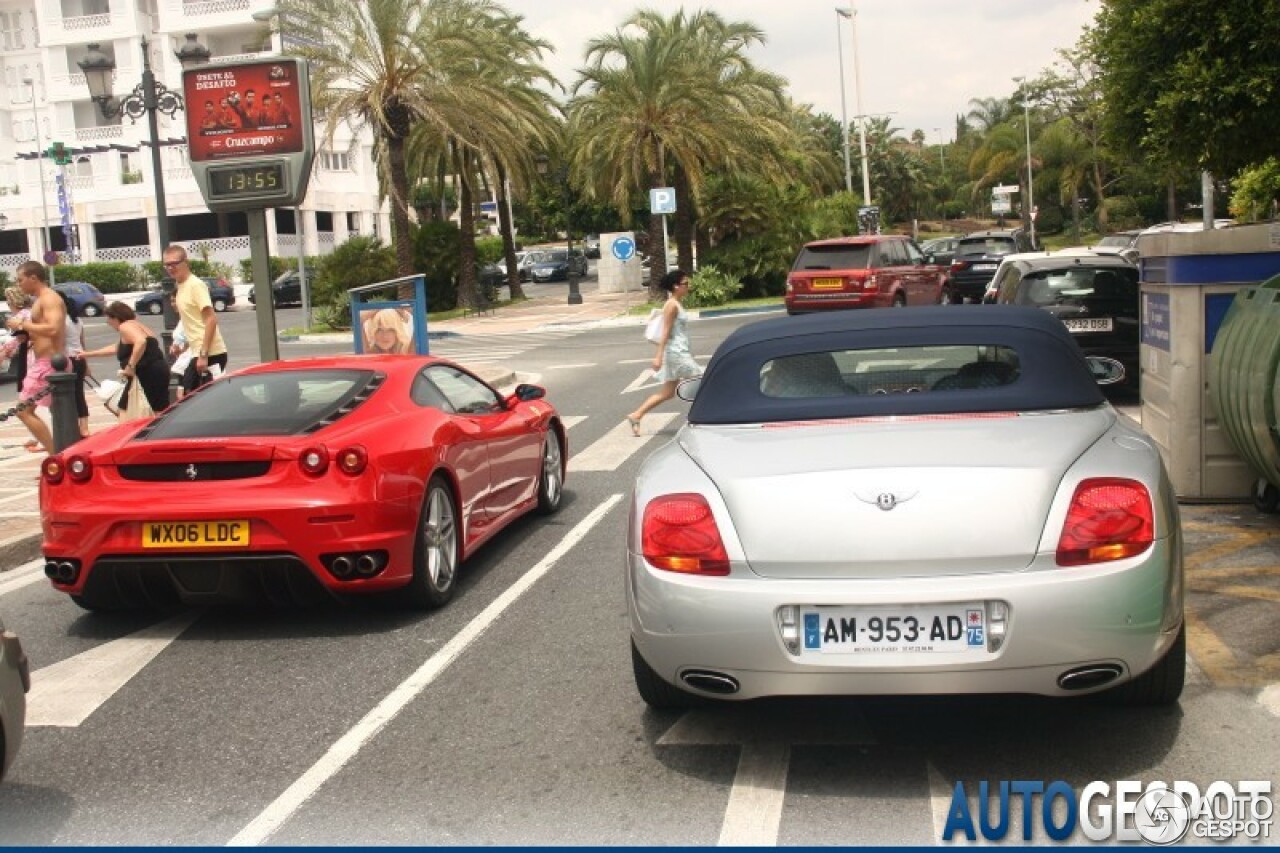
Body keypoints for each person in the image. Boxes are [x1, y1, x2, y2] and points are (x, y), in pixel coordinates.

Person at [626, 269, 700, 436]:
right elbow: (665, 331)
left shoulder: (676, 303)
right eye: (685, 284)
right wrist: (658, 356)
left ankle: (636, 415)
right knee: (702, 381)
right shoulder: (671, 305)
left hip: (679, 350)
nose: (688, 287)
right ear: (676, 286)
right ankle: (702, 419)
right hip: (676, 353)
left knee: (667, 393)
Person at [4, 261, 66, 455]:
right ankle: (58, 456)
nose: (19, 284)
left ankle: (54, 457)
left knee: (23, 410)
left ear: (33, 278)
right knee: (59, 414)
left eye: (21, 279)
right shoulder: (41, 299)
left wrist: (23, 324)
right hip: (47, 361)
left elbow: (54, 328)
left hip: (48, 363)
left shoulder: (49, 299)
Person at [83, 302, 170, 415]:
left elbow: (140, 341)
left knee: (127, 409)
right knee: (157, 409)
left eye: (109, 318)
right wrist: (87, 354)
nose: (108, 322)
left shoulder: (125, 326)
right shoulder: (137, 325)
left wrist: (130, 366)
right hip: (159, 370)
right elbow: (116, 348)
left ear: (116, 317)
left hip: (146, 373)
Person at [167, 244, 228, 393]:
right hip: (197, 352)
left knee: (197, 400)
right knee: (189, 398)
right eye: (167, 264)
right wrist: (183, 347)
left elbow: (211, 320)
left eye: (174, 263)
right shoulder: (181, 287)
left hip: (211, 353)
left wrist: (203, 355)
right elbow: (193, 324)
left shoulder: (195, 285)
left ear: (185, 262)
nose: (170, 268)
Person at [59, 289, 91, 439]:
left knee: (68, 395)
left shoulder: (61, 321)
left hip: (68, 359)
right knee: (79, 394)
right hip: (80, 358)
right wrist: (87, 363)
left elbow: (60, 343)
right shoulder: (77, 320)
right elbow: (82, 343)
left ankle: (72, 426)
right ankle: (84, 427)